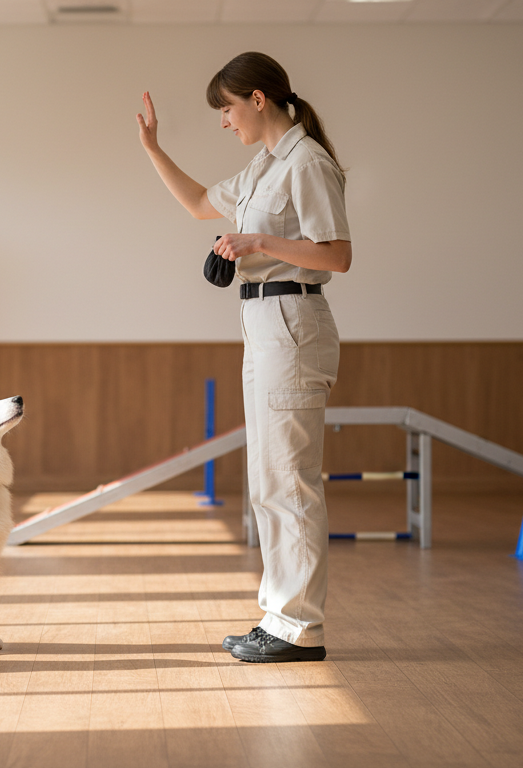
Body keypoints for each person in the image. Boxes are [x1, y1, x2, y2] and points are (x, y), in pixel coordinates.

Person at [137, 52, 351, 663]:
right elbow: (201, 202)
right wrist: (153, 147)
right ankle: (279, 617)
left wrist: (257, 240)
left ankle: (298, 627)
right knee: (267, 482)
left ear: (258, 99)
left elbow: (336, 255)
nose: (224, 122)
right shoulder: (263, 166)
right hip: (260, 323)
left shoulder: (307, 163)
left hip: (293, 322)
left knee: (290, 481)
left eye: (227, 109)